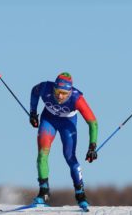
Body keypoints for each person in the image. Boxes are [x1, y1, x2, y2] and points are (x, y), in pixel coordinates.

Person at [29, 72, 98, 209]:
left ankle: (80, 194)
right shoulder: (45, 87)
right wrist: (33, 112)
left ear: (70, 91)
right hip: (49, 120)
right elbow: (34, 92)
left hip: (68, 124)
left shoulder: (77, 99)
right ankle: (44, 192)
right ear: (53, 88)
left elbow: (93, 123)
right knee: (42, 154)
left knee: (70, 157)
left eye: (64, 93)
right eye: (57, 91)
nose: (60, 96)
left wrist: (92, 146)